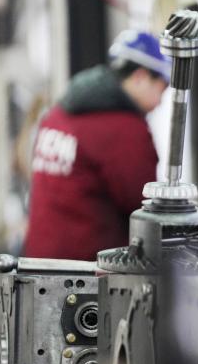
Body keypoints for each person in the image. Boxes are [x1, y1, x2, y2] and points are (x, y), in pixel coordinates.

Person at [24, 30, 170, 261]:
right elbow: (145, 207)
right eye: (162, 87)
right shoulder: (125, 129)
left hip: (37, 262)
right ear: (140, 76)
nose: (160, 101)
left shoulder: (58, 113)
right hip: (87, 271)